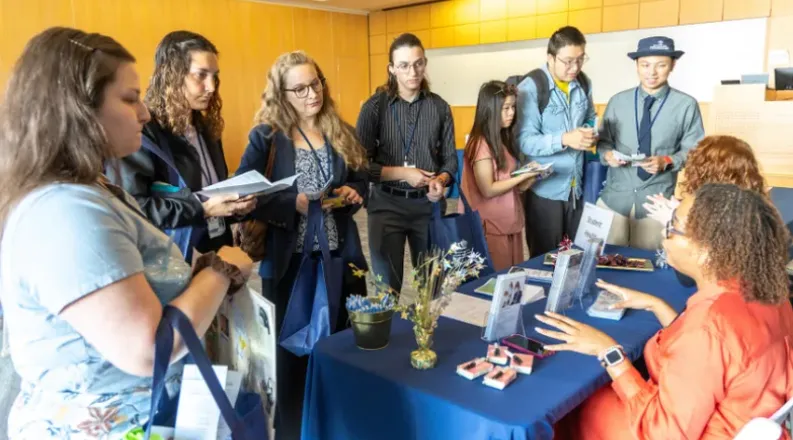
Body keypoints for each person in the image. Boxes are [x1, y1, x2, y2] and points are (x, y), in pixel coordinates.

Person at [0, 27, 253, 439]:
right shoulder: (67, 211)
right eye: (130, 98)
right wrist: (220, 270)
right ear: (78, 107)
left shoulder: (84, 189)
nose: (145, 113)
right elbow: (147, 349)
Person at [540, 183, 793, 440]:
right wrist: (656, 305)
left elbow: (663, 433)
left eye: (673, 227)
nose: (664, 233)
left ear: (706, 252)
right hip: (736, 417)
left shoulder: (708, 326)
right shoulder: (771, 296)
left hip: (673, 429)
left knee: (566, 409)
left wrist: (607, 351)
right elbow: (714, 358)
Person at [236, 50, 368, 440]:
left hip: (338, 258)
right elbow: (244, 192)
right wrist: (289, 202)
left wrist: (353, 192)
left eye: (316, 84)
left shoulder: (340, 130)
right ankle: (295, 431)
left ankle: (338, 427)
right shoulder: (266, 137)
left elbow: (362, 179)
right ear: (282, 94)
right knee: (291, 357)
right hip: (289, 264)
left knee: (341, 348)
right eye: (300, 89)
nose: (312, 94)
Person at [108, 31, 256, 261]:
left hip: (217, 251)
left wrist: (236, 207)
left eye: (214, 76)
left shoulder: (207, 129)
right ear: (173, 76)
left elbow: (212, 194)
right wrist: (203, 209)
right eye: (201, 75)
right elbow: (134, 208)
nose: (211, 87)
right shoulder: (142, 132)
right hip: (172, 261)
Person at [356, 32, 458, 294]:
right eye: (403, 65)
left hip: (428, 205)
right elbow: (360, 165)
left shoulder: (440, 107)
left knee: (434, 289)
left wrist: (441, 181)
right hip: (386, 206)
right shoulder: (374, 107)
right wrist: (403, 173)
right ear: (391, 69)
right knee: (388, 291)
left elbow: (449, 159)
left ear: (425, 63)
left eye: (418, 63)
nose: (413, 72)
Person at [597, 36, 704, 250]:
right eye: (645, 65)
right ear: (637, 65)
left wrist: (667, 161)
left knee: (650, 264)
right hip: (614, 199)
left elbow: (694, 152)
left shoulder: (686, 105)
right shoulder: (618, 101)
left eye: (661, 65)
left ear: (672, 65)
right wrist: (607, 155)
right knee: (601, 260)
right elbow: (603, 143)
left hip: (656, 202)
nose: (652, 72)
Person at [515, 26, 597, 257]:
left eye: (580, 60)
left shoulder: (583, 83)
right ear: (550, 58)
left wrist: (590, 131)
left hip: (575, 188)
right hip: (544, 190)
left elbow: (590, 117)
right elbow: (524, 141)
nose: (575, 68)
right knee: (545, 260)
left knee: (575, 258)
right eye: (568, 61)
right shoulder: (531, 88)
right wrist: (564, 139)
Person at [458, 81, 537, 271]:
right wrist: (520, 177)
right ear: (490, 110)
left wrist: (528, 177)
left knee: (513, 277)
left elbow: (508, 183)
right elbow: (488, 189)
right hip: (491, 226)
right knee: (498, 280)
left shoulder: (501, 139)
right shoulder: (480, 143)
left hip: (508, 222)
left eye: (513, 107)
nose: (511, 113)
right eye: (505, 108)